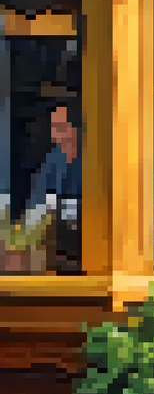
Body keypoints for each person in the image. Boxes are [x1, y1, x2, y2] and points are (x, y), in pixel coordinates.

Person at [18, 103, 83, 271]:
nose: (54, 135)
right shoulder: (54, 158)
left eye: (60, 128)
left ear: (76, 130)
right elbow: (38, 199)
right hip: (54, 241)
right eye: (53, 128)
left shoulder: (92, 159)